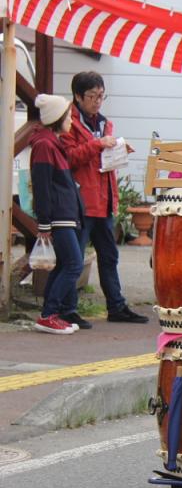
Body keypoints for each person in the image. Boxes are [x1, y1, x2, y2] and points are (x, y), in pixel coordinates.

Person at [60, 71, 148, 325]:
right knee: (74, 259)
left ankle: (116, 305)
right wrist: (99, 144)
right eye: (91, 96)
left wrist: (119, 149)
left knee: (109, 256)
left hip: (104, 198)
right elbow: (69, 158)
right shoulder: (69, 122)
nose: (97, 101)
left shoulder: (103, 122)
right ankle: (67, 308)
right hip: (82, 199)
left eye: (101, 96)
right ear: (77, 96)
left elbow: (102, 156)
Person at [30, 95, 85, 335]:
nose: (72, 121)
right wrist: (44, 222)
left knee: (65, 264)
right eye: (68, 116)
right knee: (73, 264)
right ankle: (48, 314)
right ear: (57, 118)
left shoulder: (51, 143)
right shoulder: (45, 145)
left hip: (64, 216)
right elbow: (42, 186)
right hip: (59, 217)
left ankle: (48, 314)